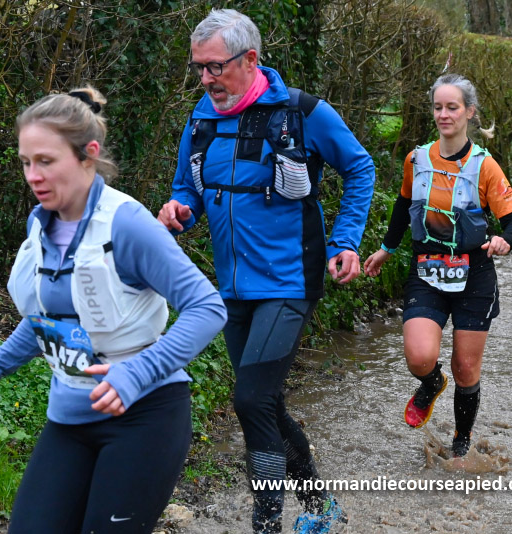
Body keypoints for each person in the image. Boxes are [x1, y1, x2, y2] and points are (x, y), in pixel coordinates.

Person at [0, 87, 227, 533]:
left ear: (88, 155)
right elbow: (49, 321)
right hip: (69, 417)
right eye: (26, 162)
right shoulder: (40, 226)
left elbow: (207, 307)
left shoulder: (127, 224)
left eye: (46, 161)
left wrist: (136, 373)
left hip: (145, 416)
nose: (33, 176)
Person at [157, 9, 374, 533]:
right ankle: (322, 509)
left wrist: (346, 241)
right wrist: (179, 209)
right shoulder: (202, 118)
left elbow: (360, 167)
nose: (205, 79)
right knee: (266, 404)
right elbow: (188, 188)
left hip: (289, 279)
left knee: (251, 398)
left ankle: (266, 525)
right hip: (233, 287)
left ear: (250, 59)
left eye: (215, 67)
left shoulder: (302, 112)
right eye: (199, 68)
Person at [364, 73, 512, 459]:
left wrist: (505, 240)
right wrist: (387, 248)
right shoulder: (417, 159)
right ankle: (432, 383)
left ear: (469, 112)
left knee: (466, 368)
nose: (443, 114)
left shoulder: (485, 166)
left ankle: (460, 442)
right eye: (438, 107)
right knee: (419, 356)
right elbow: (404, 205)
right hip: (427, 270)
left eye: (452, 107)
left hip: (475, 276)